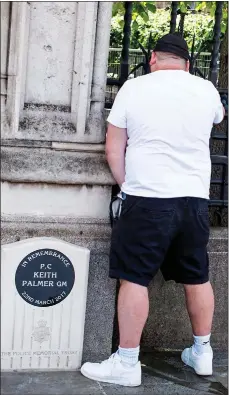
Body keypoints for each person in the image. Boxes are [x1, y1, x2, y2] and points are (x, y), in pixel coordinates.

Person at [81, 33, 225, 387]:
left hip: (147, 197)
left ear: (154, 60)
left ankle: (128, 363)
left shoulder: (135, 87)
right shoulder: (206, 89)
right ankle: (201, 351)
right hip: (194, 199)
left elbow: (113, 149)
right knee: (197, 275)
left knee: (135, 276)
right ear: (187, 63)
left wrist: (127, 186)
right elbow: (217, 118)